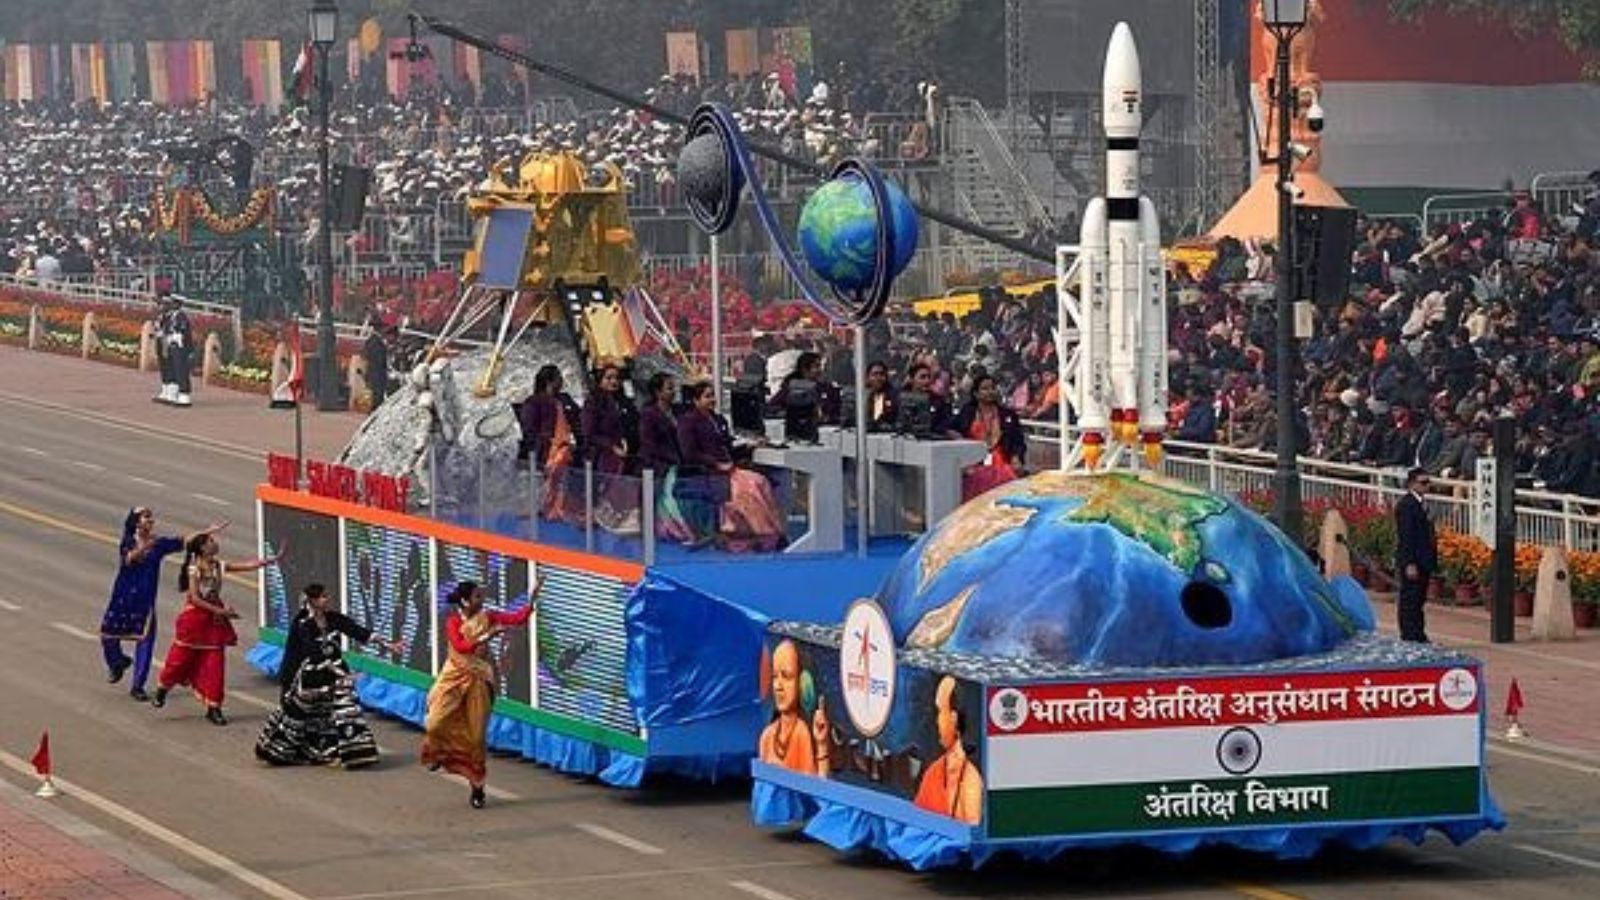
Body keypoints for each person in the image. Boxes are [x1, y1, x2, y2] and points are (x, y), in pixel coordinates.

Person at [421, 578, 541, 808]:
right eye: (477, 596)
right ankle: (437, 752)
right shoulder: (453, 621)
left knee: (476, 738)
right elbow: (461, 647)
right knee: (435, 722)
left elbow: (517, 619)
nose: (481, 600)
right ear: (465, 601)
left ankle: (477, 787)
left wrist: (533, 597)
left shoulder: (488, 617)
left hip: (479, 679)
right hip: (453, 678)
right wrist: (488, 636)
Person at [255, 583, 401, 768]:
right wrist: (342, 673)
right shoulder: (303, 625)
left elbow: (356, 630)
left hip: (336, 673)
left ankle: (351, 752)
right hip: (311, 675)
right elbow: (313, 653)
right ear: (313, 601)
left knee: (345, 710)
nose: (327, 600)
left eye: (326, 596)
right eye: (323, 597)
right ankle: (293, 751)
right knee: (302, 716)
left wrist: (388, 645)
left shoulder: (332, 618)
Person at [151, 533, 280, 724]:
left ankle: (214, 707)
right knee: (179, 660)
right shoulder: (194, 568)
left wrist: (267, 562)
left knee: (215, 665)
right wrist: (221, 610)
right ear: (203, 548)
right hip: (194, 620)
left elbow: (243, 566)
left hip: (214, 622)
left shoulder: (218, 565)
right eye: (210, 541)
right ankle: (163, 688)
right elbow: (195, 598)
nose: (215, 543)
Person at [99, 509, 224, 702]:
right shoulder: (128, 540)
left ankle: (137, 686)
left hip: (145, 600)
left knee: (145, 642)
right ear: (137, 523)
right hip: (122, 597)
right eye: (146, 517)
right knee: (108, 635)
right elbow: (129, 558)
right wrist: (145, 547)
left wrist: (206, 532)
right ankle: (117, 663)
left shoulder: (159, 544)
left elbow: (183, 541)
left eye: (151, 517)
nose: (151, 520)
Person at [677, 381, 785, 552]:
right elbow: (689, 453)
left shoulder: (718, 419)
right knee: (750, 488)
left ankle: (773, 533)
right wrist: (716, 463)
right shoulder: (688, 421)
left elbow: (728, 446)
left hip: (730, 469)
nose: (712, 399)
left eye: (713, 395)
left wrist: (748, 446)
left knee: (761, 481)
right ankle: (760, 535)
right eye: (707, 396)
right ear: (696, 401)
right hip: (708, 471)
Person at [913, 676, 983, 823]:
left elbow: (972, 826)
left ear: (953, 717)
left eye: (939, 711)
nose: (936, 721)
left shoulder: (970, 780)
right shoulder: (933, 772)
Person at [581, 362, 641, 534]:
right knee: (612, 466)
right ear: (600, 380)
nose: (614, 382)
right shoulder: (593, 403)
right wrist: (611, 446)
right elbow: (589, 433)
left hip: (626, 450)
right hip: (602, 452)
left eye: (617, 378)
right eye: (609, 378)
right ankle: (610, 513)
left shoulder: (625, 402)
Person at [758, 639, 829, 776]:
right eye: (774, 676)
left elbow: (813, 791)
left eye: (787, 677)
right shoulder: (767, 736)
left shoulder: (801, 733)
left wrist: (822, 745)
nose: (778, 686)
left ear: (802, 682)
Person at [953, 374, 1026, 501]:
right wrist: (959, 440)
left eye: (992, 388)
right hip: (974, 464)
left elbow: (1018, 441)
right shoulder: (967, 412)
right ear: (976, 393)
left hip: (1002, 464)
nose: (990, 392)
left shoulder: (1007, 414)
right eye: (985, 389)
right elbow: (950, 428)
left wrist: (1016, 457)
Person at [1395, 468, 1438, 643]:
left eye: (1428, 482)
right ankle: (1410, 634)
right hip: (1414, 560)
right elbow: (1406, 535)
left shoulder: (1420, 503)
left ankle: (1418, 633)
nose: (1427, 486)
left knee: (1419, 599)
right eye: (1423, 482)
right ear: (1412, 483)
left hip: (1424, 559)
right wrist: (1409, 562)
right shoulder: (1407, 505)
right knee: (1410, 600)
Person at [155, 295, 194, 407]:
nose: (171, 305)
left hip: (180, 346)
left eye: (173, 303)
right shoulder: (171, 316)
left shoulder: (181, 316)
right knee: (173, 368)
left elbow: (182, 330)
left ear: (179, 304)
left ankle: (184, 394)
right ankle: (172, 392)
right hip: (171, 345)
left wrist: (172, 336)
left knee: (181, 369)